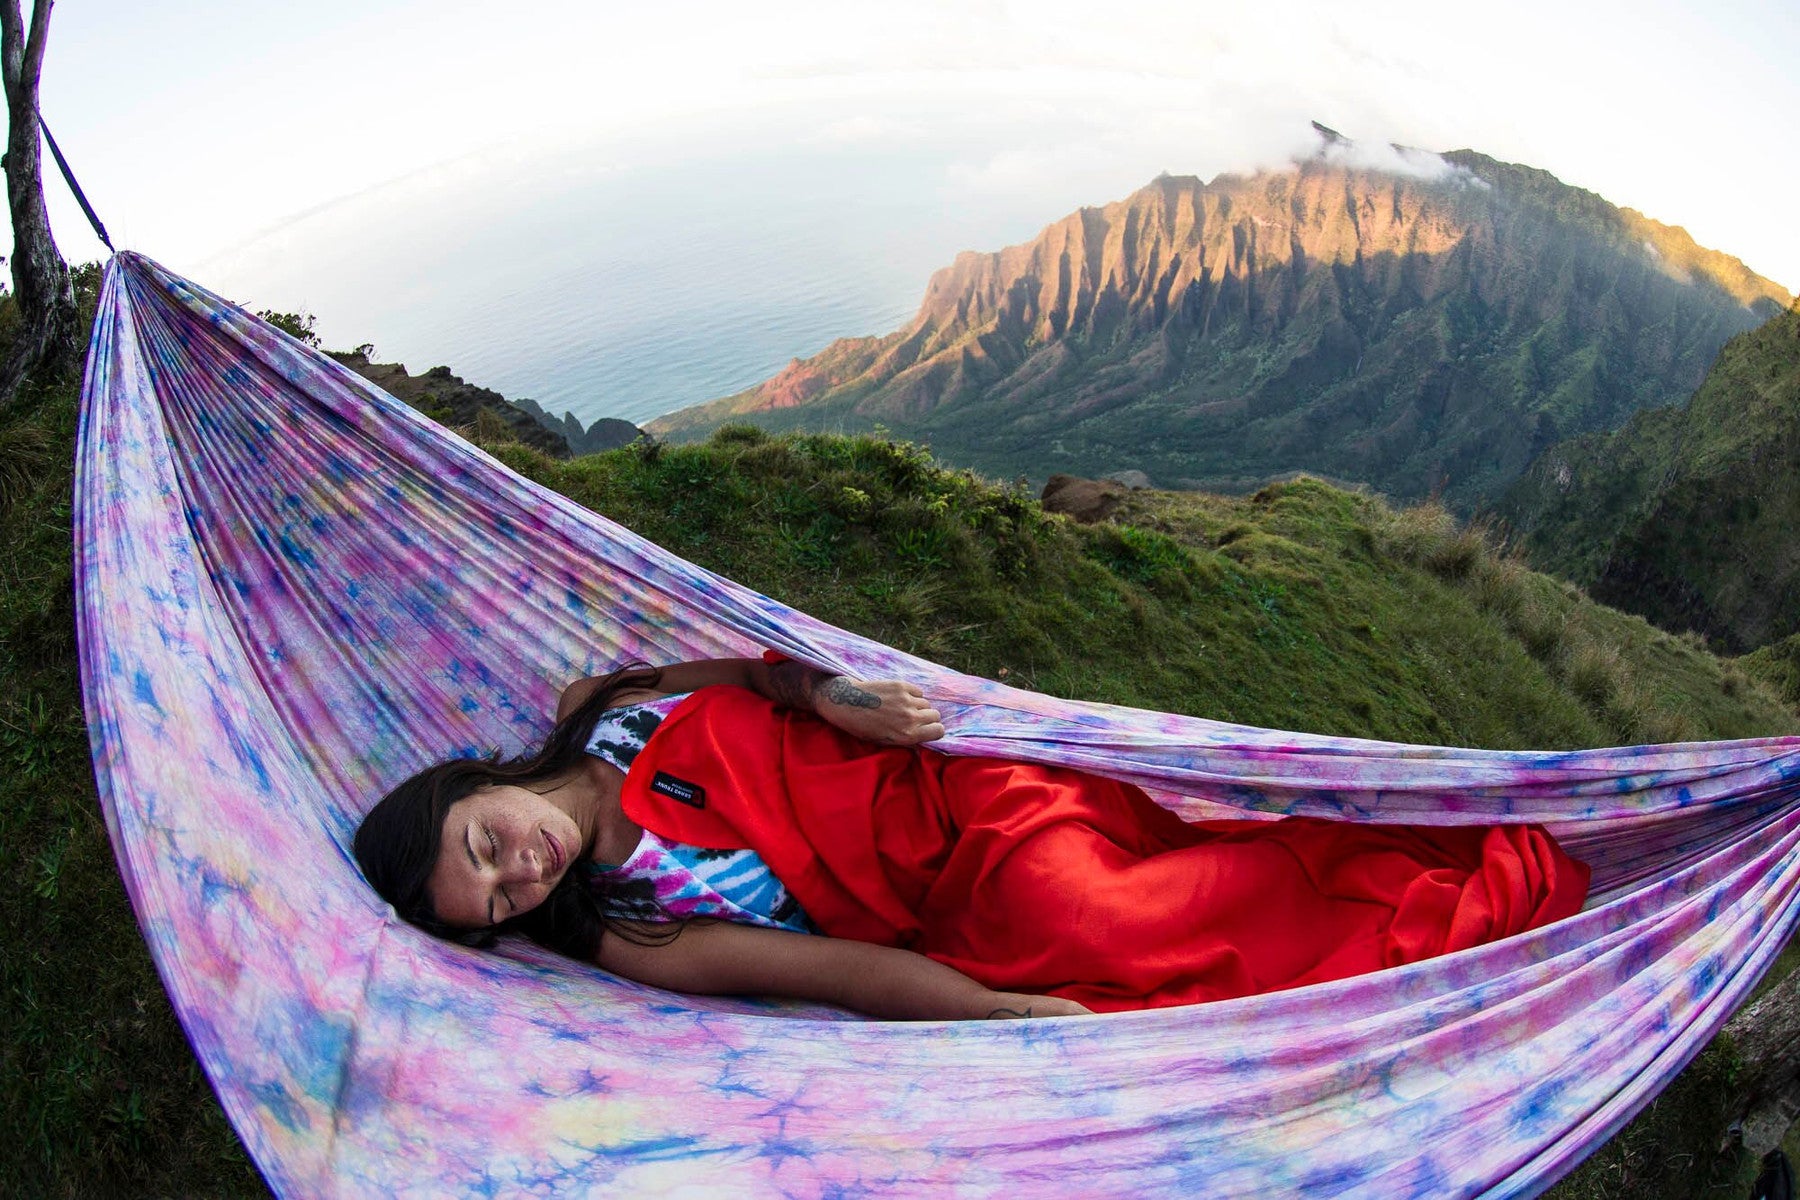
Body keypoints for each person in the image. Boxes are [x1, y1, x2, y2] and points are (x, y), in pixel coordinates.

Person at [354, 656, 1590, 1019]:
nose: (522, 875)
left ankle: (1412, 884)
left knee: (1113, 908)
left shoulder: (599, 708)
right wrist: (1017, 1025)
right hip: (947, 893)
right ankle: (1441, 912)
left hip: (961, 781)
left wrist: (832, 699)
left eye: (483, 848)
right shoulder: (637, 931)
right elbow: (845, 974)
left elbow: (749, 664)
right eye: (504, 907)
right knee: (1091, 932)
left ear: (465, 788)